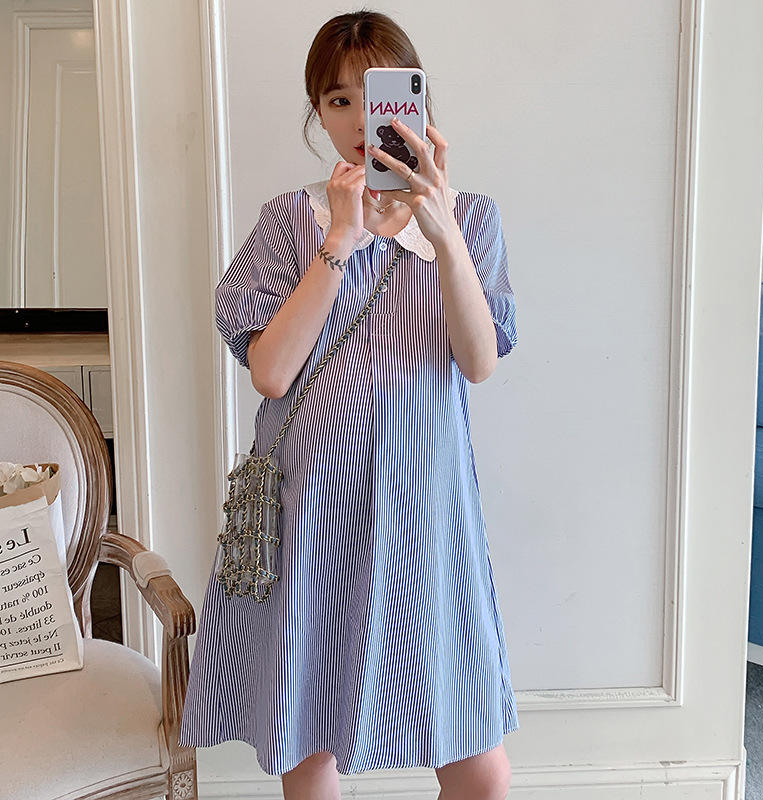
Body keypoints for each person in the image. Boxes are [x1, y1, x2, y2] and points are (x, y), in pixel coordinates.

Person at [178, 9, 520, 799]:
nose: (361, 120)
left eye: (379, 97)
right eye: (338, 100)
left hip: (426, 515)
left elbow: (478, 362)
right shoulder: (289, 222)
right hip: (314, 510)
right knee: (311, 741)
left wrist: (439, 230)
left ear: (417, 103)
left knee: (478, 764)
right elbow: (271, 372)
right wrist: (340, 237)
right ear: (319, 113)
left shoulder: (471, 219)